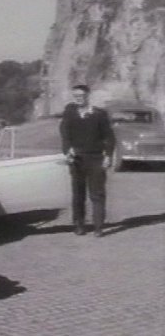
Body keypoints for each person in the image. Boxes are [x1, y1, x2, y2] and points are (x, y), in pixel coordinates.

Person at [59, 84, 115, 237]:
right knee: (78, 194)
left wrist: (108, 156)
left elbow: (109, 137)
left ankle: (98, 227)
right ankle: (79, 225)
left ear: (87, 96)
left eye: (81, 96)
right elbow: (64, 132)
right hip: (76, 159)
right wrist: (67, 149)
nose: (78, 99)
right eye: (75, 96)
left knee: (97, 194)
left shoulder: (99, 114)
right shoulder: (69, 112)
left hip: (96, 158)